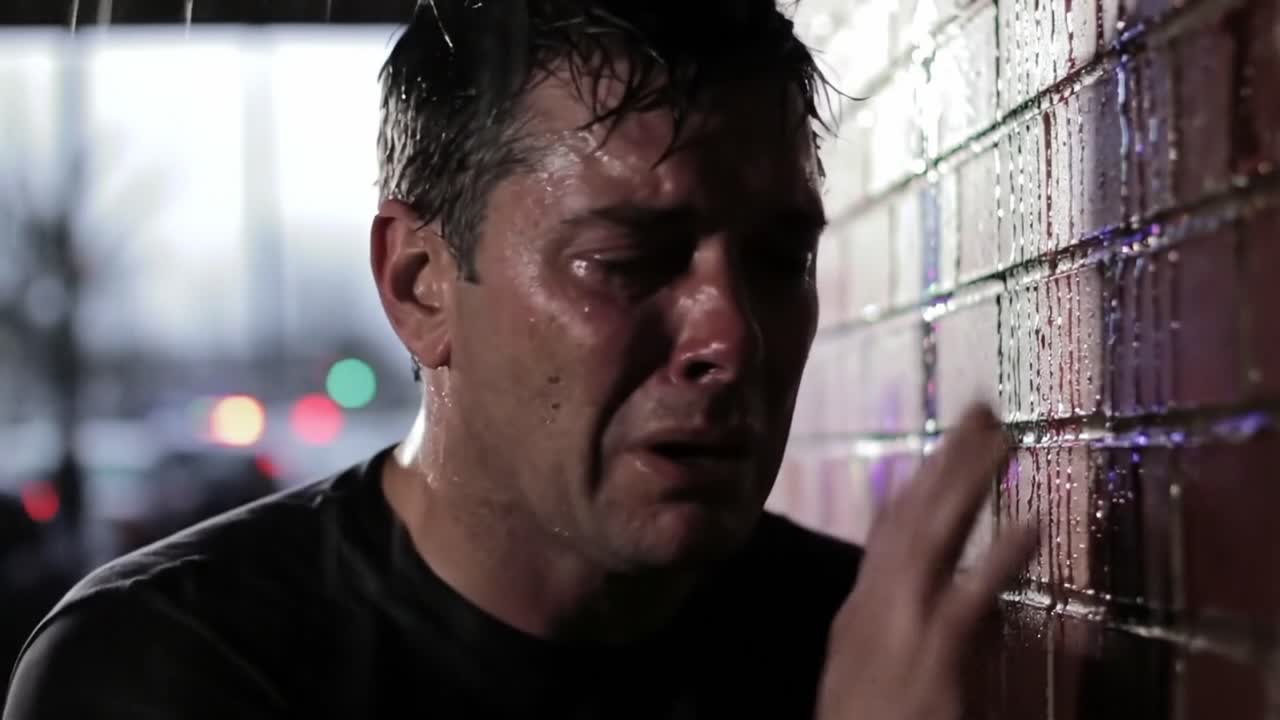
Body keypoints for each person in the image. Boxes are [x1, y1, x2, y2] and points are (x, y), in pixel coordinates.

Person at [3, 2, 1035, 718]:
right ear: (419, 285)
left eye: (778, 261)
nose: (731, 337)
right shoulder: (175, 670)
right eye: (624, 262)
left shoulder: (864, 646)